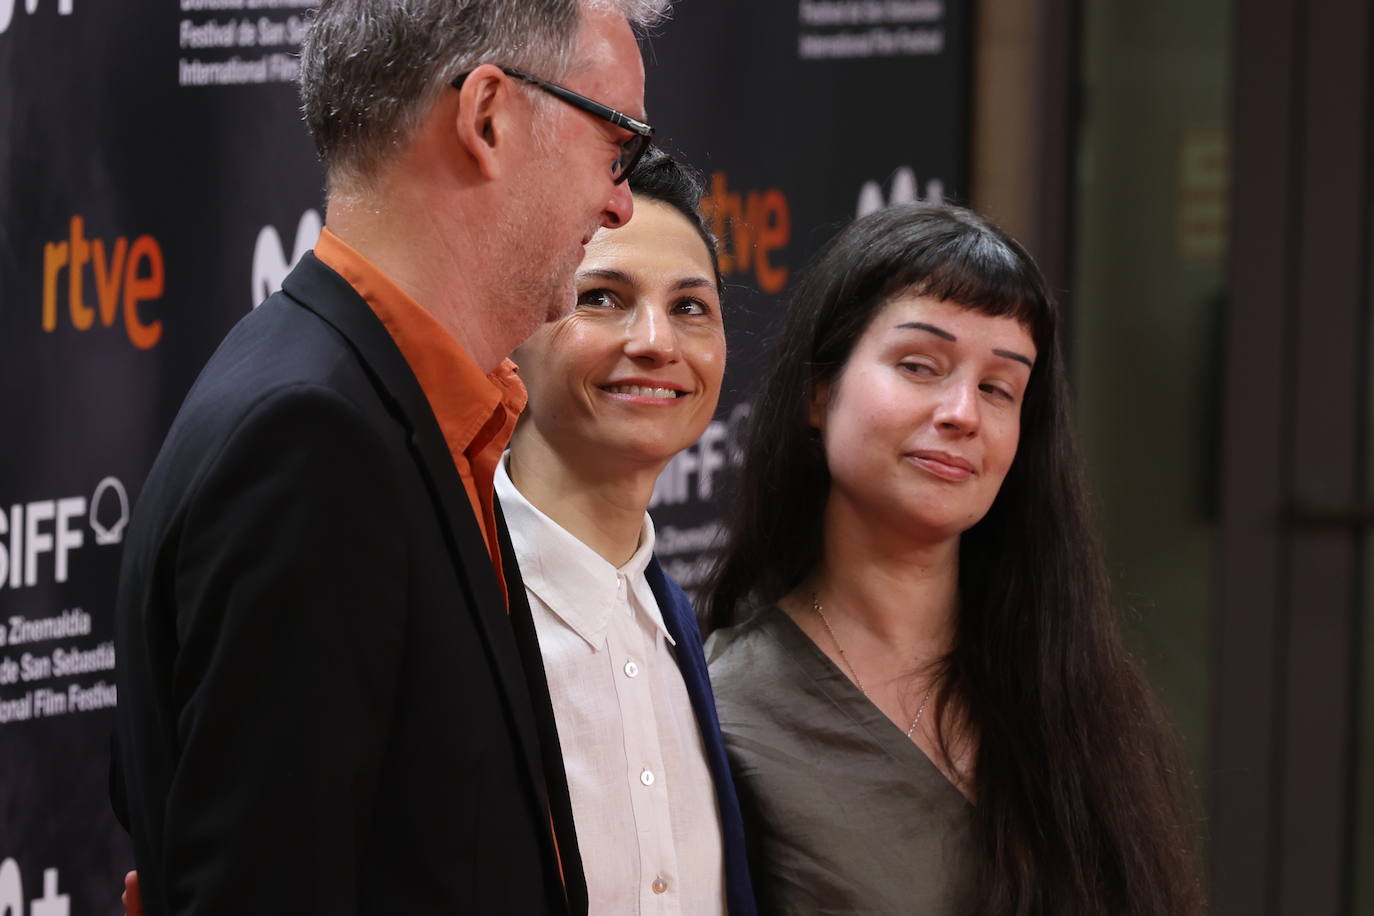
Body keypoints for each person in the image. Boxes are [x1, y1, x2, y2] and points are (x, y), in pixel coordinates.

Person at [111, 1, 668, 913]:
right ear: (487, 116)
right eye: (617, 147)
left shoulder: (379, 408)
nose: (620, 200)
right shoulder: (310, 444)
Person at [703, 202, 1205, 914]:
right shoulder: (728, 708)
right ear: (820, 393)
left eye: (999, 388)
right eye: (919, 365)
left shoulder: (1067, 680)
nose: (962, 413)